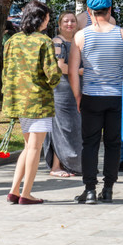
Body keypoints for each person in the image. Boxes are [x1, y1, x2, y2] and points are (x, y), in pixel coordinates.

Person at [69, 0, 123, 204]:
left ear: (89, 11)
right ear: (110, 10)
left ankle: (90, 189)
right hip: (117, 98)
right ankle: (109, 188)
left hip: (91, 97)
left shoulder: (80, 36)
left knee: (90, 144)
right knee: (113, 144)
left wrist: (78, 95)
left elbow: (74, 71)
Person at [3, 0, 62, 204]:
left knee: (28, 147)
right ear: (40, 18)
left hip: (18, 101)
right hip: (38, 101)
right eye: (47, 17)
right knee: (35, 149)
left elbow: (6, 72)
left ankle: (14, 190)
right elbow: (53, 75)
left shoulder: (12, 40)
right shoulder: (44, 42)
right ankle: (26, 193)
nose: (48, 21)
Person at [44, 12, 83, 177]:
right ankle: (56, 166)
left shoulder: (76, 41)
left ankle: (71, 164)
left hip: (76, 89)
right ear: (59, 24)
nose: (70, 24)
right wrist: (80, 71)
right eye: (66, 21)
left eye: (73, 21)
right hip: (61, 90)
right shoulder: (57, 42)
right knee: (61, 128)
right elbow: (59, 67)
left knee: (75, 128)